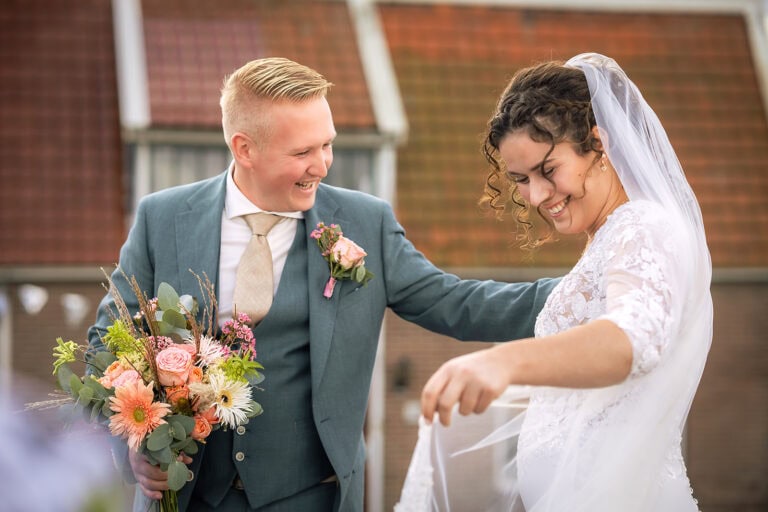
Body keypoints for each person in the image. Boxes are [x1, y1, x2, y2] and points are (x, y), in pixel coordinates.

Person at [86, 57, 557, 512]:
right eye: (303, 152)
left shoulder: (364, 222)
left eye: (327, 144)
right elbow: (105, 349)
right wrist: (131, 448)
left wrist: (591, 288)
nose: (324, 164)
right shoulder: (161, 219)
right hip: (187, 499)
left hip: (315, 497)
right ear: (244, 148)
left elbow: (457, 303)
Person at [397, 53, 713, 511]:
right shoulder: (609, 238)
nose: (537, 196)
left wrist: (503, 363)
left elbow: (634, 340)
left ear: (598, 146)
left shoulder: (644, 225)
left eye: (548, 170)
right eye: (521, 179)